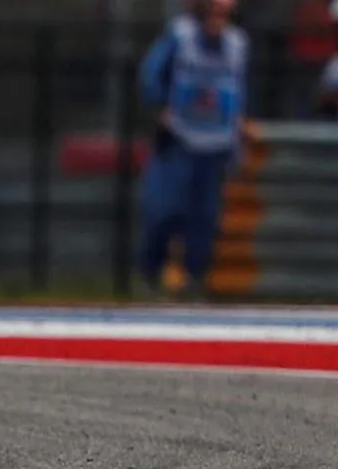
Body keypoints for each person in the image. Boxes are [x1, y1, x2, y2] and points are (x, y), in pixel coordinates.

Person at [140, 0, 250, 298]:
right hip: (181, 137)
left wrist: (237, 130)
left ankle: (194, 278)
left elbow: (239, 88)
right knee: (164, 210)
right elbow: (151, 74)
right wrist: (160, 105)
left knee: (205, 216)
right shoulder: (180, 36)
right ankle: (150, 274)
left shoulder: (237, 43)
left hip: (216, 143)